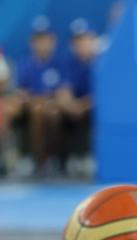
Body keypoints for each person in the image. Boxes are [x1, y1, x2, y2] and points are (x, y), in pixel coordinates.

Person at [14, 16, 66, 177]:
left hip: (55, 106)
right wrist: (37, 101)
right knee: (37, 112)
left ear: (53, 40)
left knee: (54, 113)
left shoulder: (60, 63)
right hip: (33, 107)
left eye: (46, 39)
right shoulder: (25, 65)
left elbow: (64, 91)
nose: (42, 43)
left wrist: (51, 102)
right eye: (38, 39)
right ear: (32, 42)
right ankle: (35, 160)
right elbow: (21, 93)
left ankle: (58, 159)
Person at [55, 18, 96, 177]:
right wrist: (72, 106)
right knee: (56, 114)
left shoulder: (101, 61)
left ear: (92, 39)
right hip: (75, 109)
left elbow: (103, 95)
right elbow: (63, 91)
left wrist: (84, 105)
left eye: (85, 39)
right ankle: (62, 160)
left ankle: (91, 156)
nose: (81, 44)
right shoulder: (68, 63)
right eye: (77, 40)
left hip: (93, 107)